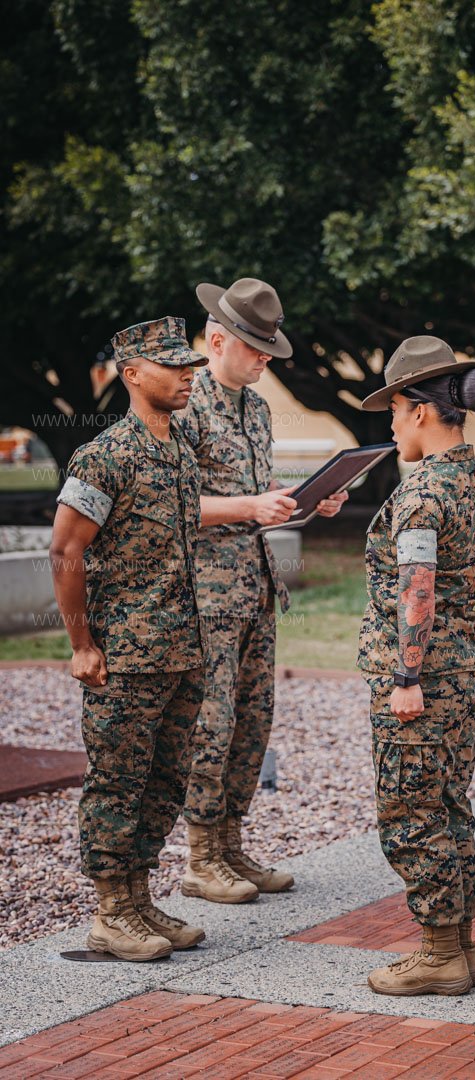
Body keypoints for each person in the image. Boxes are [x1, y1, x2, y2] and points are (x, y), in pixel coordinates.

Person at [179, 277, 348, 903]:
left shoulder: (253, 407)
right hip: (204, 596)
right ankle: (199, 859)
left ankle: (229, 844)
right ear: (217, 340)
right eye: (255, 349)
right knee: (211, 723)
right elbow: (167, 505)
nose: (265, 361)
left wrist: (307, 502)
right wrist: (251, 503)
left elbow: (255, 497)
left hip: (255, 586)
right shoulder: (183, 405)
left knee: (254, 720)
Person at [50, 317, 209, 961]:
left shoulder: (180, 450)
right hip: (125, 657)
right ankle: (111, 912)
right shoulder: (103, 455)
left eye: (189, 365)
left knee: (166, 781)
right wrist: (82, 645)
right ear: (132, 373)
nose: (187, 376)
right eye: (172, 366)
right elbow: (64, 550)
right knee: (118, 782)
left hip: (180, 651)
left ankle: (140, 899)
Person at [357, 335, 475, 996]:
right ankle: (462, 946)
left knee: (411, 813)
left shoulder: (420, 494)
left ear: (419, 412)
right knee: (450, 804)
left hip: (428, 674)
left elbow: (419, 589)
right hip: (469, 665)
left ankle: (439, 951)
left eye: (392, 411)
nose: (389, 425)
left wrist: (406, 678)